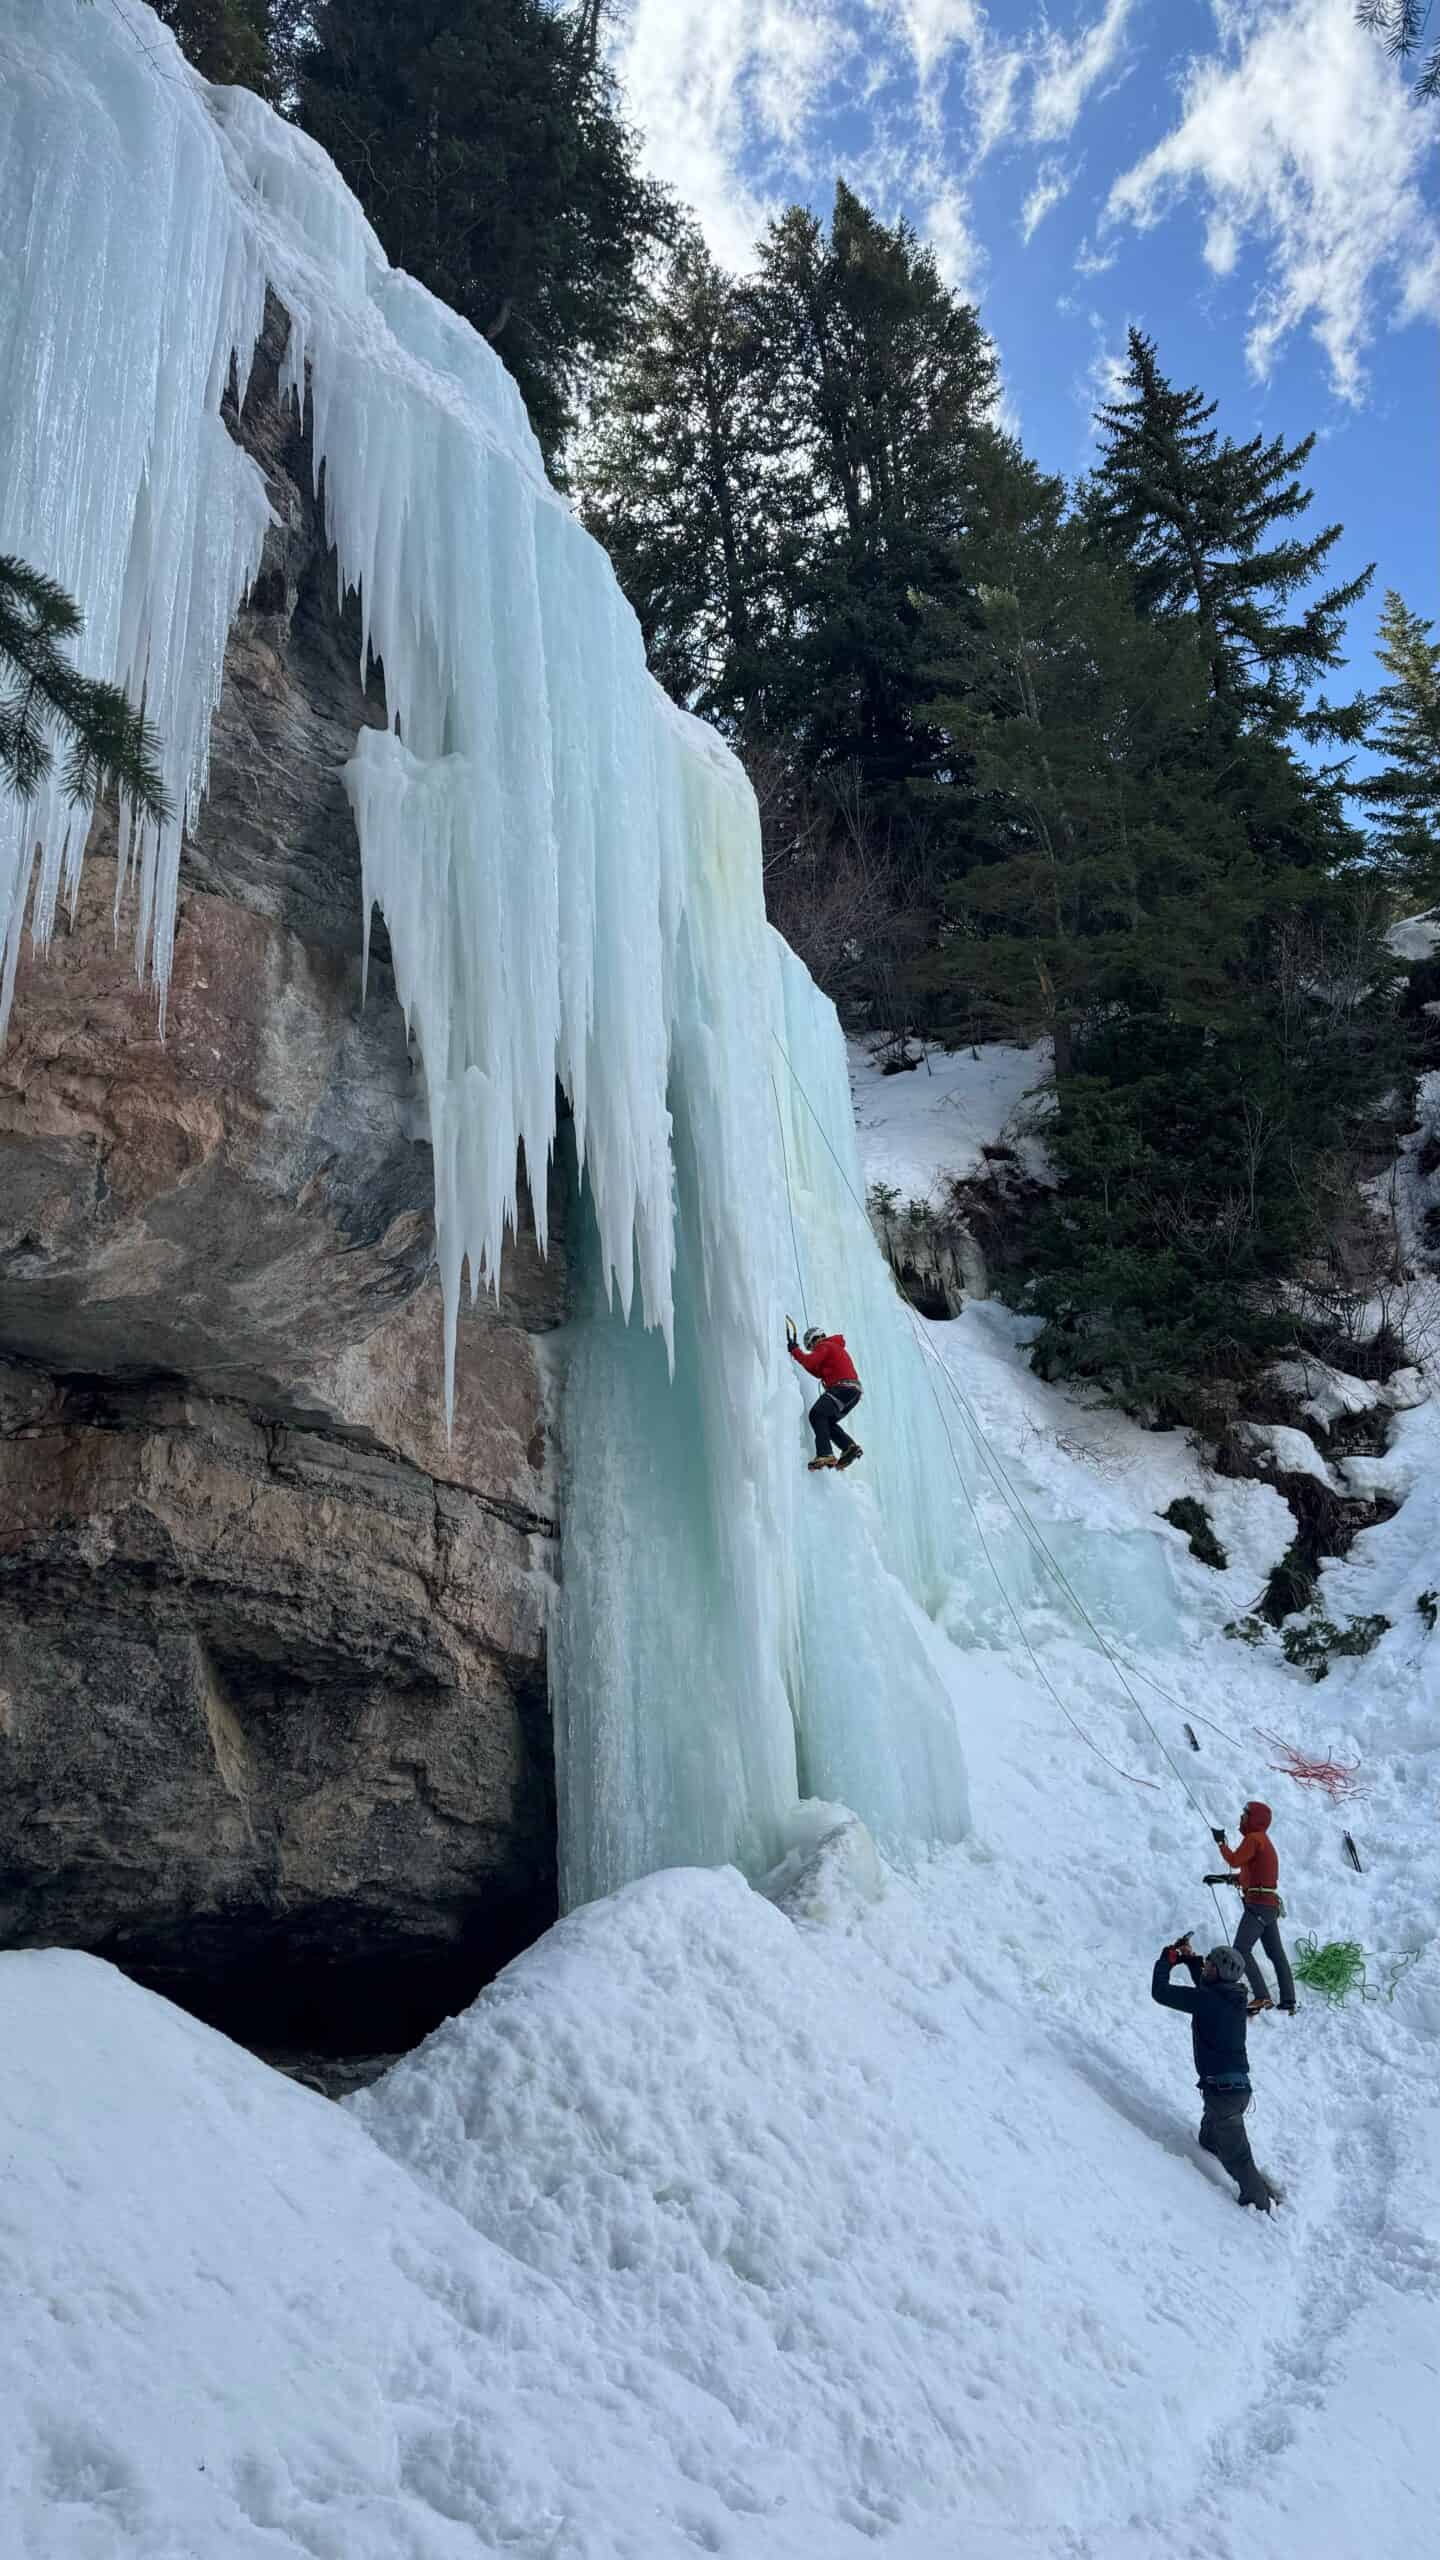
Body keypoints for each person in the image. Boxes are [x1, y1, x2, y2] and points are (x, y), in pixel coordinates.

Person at [1152, 1938, 1276, 2211]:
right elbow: (1208, 1987)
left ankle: (1261, 2204)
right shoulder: (1233, 1996)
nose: (1205, 1965)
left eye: (1209, 1963)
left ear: (1219, 1972)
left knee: (1239, 2159)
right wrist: (1189, 1958)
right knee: (1208, 2138)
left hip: (1224, 2096)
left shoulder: (1210, 2000)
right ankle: (1214, 2149)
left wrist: (1166, 1960)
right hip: (1232, 2091)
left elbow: (1160, 1992)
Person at [1213, 1801, 1297, 2017]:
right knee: (1276, 1954)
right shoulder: (1263, 1841)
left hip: (1258, 1905)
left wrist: (1221, 1842)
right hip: (1268, 1905)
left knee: (1241, 1949)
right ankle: (1288, 2001)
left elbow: (1234, 1860)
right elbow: (1250, 1872)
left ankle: (1262, 1997)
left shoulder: (1253, 1838)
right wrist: (1226, 1879)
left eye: (1245, 1814)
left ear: (1254, 1819)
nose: (1241, 1818)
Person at [786, 1322, 864, 1472]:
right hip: (853, 1392)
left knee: (817, 1414)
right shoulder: (833, 1348)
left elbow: (810, 1361)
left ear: (815, 1340)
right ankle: (849, 1447)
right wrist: (797, 1353)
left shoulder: (825, 1345)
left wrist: (795, 1350)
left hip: (842, 1388)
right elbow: (814, 1369)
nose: (812, 1350)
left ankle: (825, 1453)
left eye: (810, 1347)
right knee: (826, 1422)